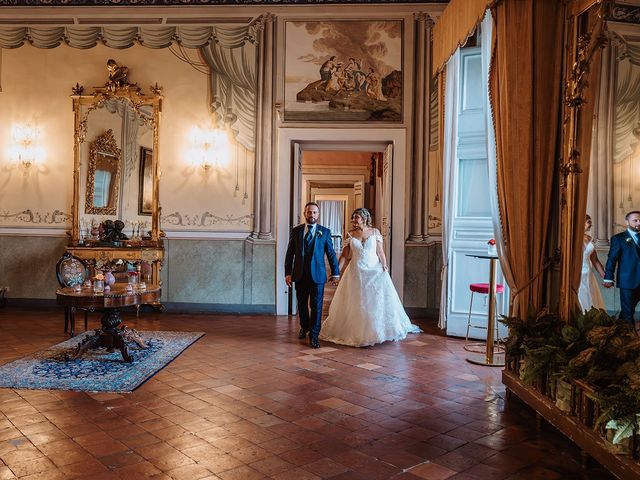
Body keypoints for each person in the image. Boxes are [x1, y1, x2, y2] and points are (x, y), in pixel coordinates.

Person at [319, 208, 421, 347]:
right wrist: (336, 272)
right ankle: (357, 331)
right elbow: (344, 255)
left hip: (374, 271)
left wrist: (384, 265)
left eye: (357, 217)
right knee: (357, 300)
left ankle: (376, 330)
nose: (355, 219)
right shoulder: (350, 234)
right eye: (354, 217)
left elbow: (380, 251)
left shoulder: (375, 232)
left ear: (365, 218)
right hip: (355, 272)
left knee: (376, 301)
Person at [285, 202, 340, 348]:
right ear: (305, 213)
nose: (312, 215)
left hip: (318, 275)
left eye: (315, 212)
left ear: (318, 214)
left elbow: (331, 254)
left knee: (316, 305)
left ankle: (314, 335)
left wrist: (335, 272)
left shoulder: (325, 232)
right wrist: (287, 273)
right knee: (302, 304)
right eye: (309, 212)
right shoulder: (296, 231)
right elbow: (290, 254)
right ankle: (304, 326)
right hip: (300, 275)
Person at [604, 210, 640, 327]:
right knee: (628, 311)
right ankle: (631, 339)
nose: (638, 223)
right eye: (635, 220)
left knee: (628, 310)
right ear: (627, 222)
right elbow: (612, 259)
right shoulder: (618, 239)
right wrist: (608, 277)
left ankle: (618, 327)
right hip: (627, 281)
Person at [578, 214, 604, 311]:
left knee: (592, 299)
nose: (591, 224)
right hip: (578, 274)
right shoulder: (571, 238)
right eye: (589, 221)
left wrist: (606, 277)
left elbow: (595, 260)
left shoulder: (588, 238)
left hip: (588, 274)